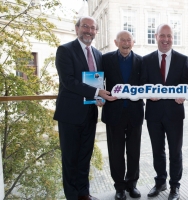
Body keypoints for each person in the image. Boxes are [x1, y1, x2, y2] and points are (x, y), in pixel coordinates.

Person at [54, 16, 117, 200]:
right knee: (70, 159)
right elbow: (69, 82)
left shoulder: (98, 54)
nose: (88, 30)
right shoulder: (65, 50)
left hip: (89, 113)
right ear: (77, 28)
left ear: (96, 31)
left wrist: (98, 97)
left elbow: (97, 80)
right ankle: (72, 196)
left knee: (84, 157)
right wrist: (97, 92)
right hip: (70, 115)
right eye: (85, 26)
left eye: (92, 28)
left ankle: (84, 193)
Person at [140, 24, 188, 200]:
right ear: (156, 36)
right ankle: (160, 181)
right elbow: (142, 84)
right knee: (157, 150)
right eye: (162, 35)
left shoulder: (182, 59)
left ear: (173, 38)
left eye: (169, 36)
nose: (166, 39)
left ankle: (175, 186)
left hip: (174, 113)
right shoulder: (146, 60)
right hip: (154, 113)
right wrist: (148, 93)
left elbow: (187, 84)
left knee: (175, 151)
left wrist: (183, 95)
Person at [101, 30, 144, 200]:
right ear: (115, 42)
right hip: (114, 113)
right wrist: (98, 96)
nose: (126, 43)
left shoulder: (141, 61)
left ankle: (131, 184)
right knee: (116, 152)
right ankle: (119, 187)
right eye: (122, 40)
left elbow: (146, 83)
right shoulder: (105, 59)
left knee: (134, 152)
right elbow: (97, 80)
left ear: (133, 42)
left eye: (129, 40)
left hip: (135, 113)